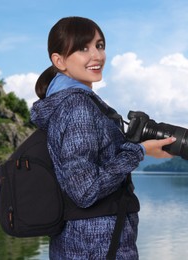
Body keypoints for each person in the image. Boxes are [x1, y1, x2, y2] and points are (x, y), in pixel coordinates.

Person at [30, 16, 175, 259]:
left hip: (87, 244)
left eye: (99, 45)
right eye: (83, 48)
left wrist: (141, 148)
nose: (96, 56)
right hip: (96, 248)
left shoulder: (74, 104)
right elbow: (84, 190)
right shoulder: (77, 107)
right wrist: (139, 152)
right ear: (59, 60)